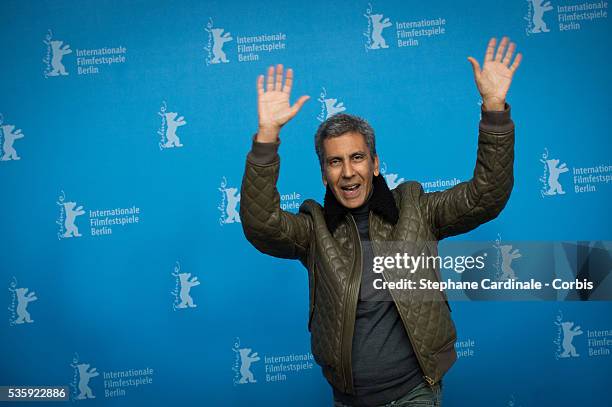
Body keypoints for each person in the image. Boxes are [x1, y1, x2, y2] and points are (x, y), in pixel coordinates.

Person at [240, 36, 522, 407]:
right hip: (349, 399)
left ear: (374, 164)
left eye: (357, 157)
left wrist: (494, 108)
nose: (347, 172)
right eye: (334, 162)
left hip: (414, 393)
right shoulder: (314, 229)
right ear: (324, 173)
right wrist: (267, 138)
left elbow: (486, 195)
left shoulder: (415, 209)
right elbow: (261, 224)